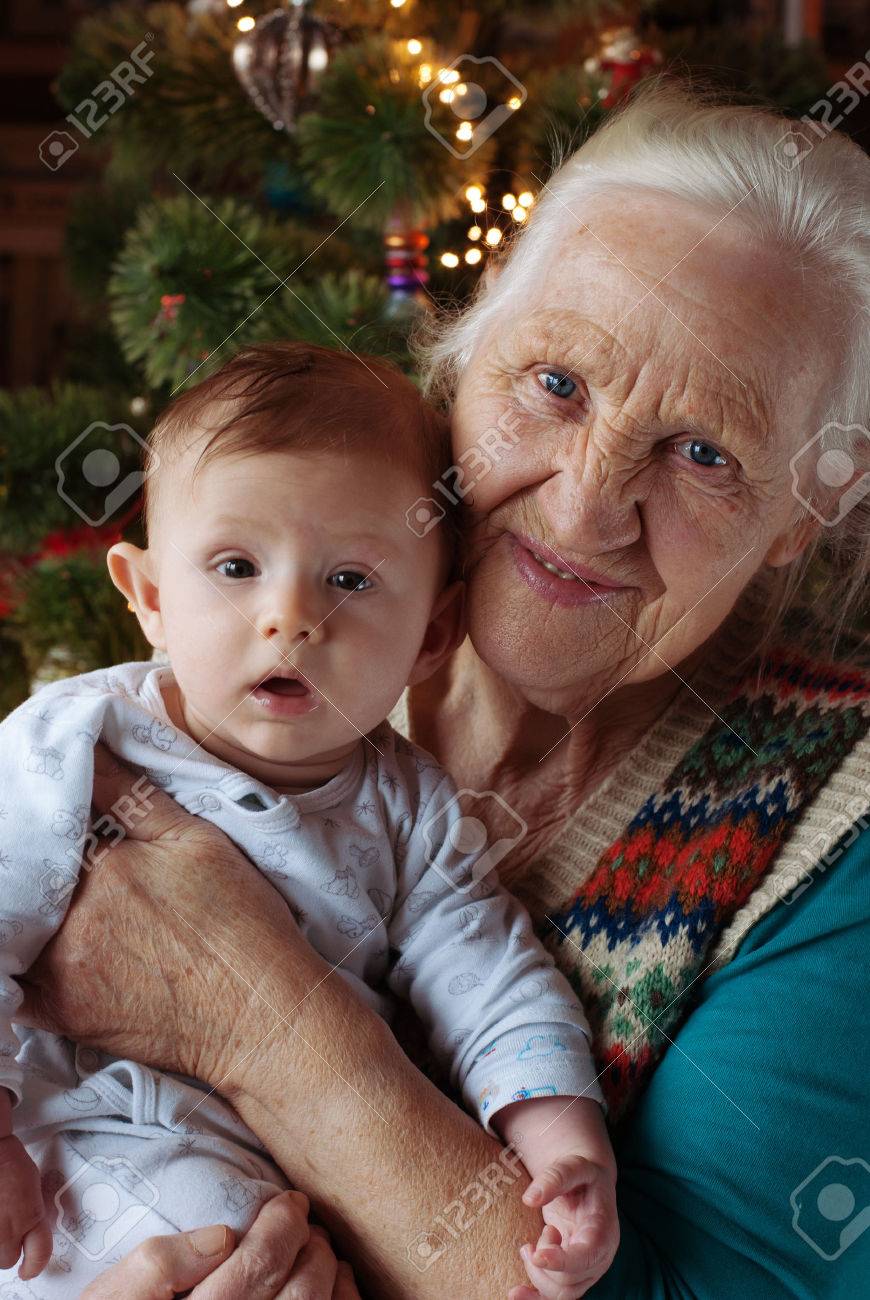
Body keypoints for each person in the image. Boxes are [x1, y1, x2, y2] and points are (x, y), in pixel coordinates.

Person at [13, 80, 870, 1298]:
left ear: (806, 508)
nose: (584, 506)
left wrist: (270, 1030)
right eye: (557, 385)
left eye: (704, 453)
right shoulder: (195, 687)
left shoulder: (838, 850)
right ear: (461, 362)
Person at [0, 343, 617, 1298]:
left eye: (352, 581)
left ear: (434, 635)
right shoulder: (71, 747)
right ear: (152, 597)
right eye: (237, 566)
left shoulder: (411, 807)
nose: (289, 618)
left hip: (301, 1180)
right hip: (82, 1147)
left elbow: (488, 972)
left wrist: (557, 1132)